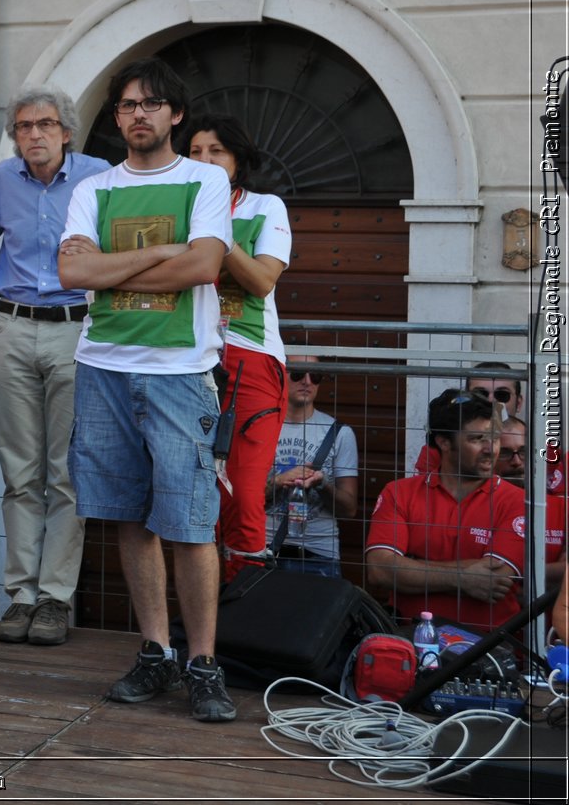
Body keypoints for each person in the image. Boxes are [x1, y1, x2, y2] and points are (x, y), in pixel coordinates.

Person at [57, 57, 236, 722]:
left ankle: (204, 663)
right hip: (102, 365)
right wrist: (159, 257)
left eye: (151, 104)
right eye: (128, 105)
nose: (138, 114)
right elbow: (72, 270)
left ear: (174, 114)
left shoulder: (204, 179)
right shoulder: (95, 187)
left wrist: (113, 268)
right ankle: (156, 650)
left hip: (180, 372)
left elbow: (205, 263)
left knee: (190, 523)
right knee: (129, 516)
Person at [0, 86, 107, 646]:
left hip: (77, 330)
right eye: (23, 126)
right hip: (12, 330)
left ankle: (54, 599)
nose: (34, 135)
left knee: (66, 472)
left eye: (45, 124)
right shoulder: (1, 181)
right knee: (18, 472)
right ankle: (19, 595)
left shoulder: (98, 177)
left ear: (66, 131)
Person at [184, 114, 291, 580]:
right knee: (192, 496)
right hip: (184, 358)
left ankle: (243, 624)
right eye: (195, 152)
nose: (204, 160)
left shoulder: (265, 206)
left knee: (244, 495)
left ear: (237, 160)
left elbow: (262, 281)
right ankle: (198, 631)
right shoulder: (175, 204)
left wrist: (217, 233)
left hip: (249, 359)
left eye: (216, 152)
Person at [366, 389, 525, 631]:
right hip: (412, 643)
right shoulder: (399, 492)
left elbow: (494, 579)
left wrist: (412, 564)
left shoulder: (516, 500)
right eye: (476, 438)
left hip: (489, 649)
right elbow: (379, 570)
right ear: (444, 442)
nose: (489, 449)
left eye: (493, 438)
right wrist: (463, 577)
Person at [264, 356, 359, 576]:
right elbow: (242, 500)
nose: (307, 381)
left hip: (319, 553)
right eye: (298, 374)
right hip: (265, 549)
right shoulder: (261, 427)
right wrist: (278, 481)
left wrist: (322, 484)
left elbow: (349, 509)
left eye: (315, 376)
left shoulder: (340, 433)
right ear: (280, 376)